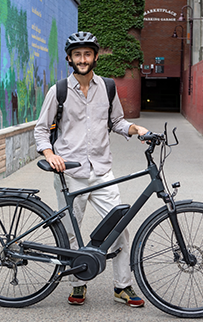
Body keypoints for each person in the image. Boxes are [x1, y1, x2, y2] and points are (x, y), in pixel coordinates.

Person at [34, 31, 148, 308]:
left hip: (102, 172)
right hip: (71, 173)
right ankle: (77, 284)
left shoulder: (107, 88)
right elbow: (40, 130)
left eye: (87, 54)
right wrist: (50, 153)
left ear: (95, 57)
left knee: (120, 229)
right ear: (69, 59)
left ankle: (122, 286)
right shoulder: (58, 90)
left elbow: (117, 122)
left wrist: (137, 130)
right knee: (71, 234)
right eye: (77, 55)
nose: (82, 59)